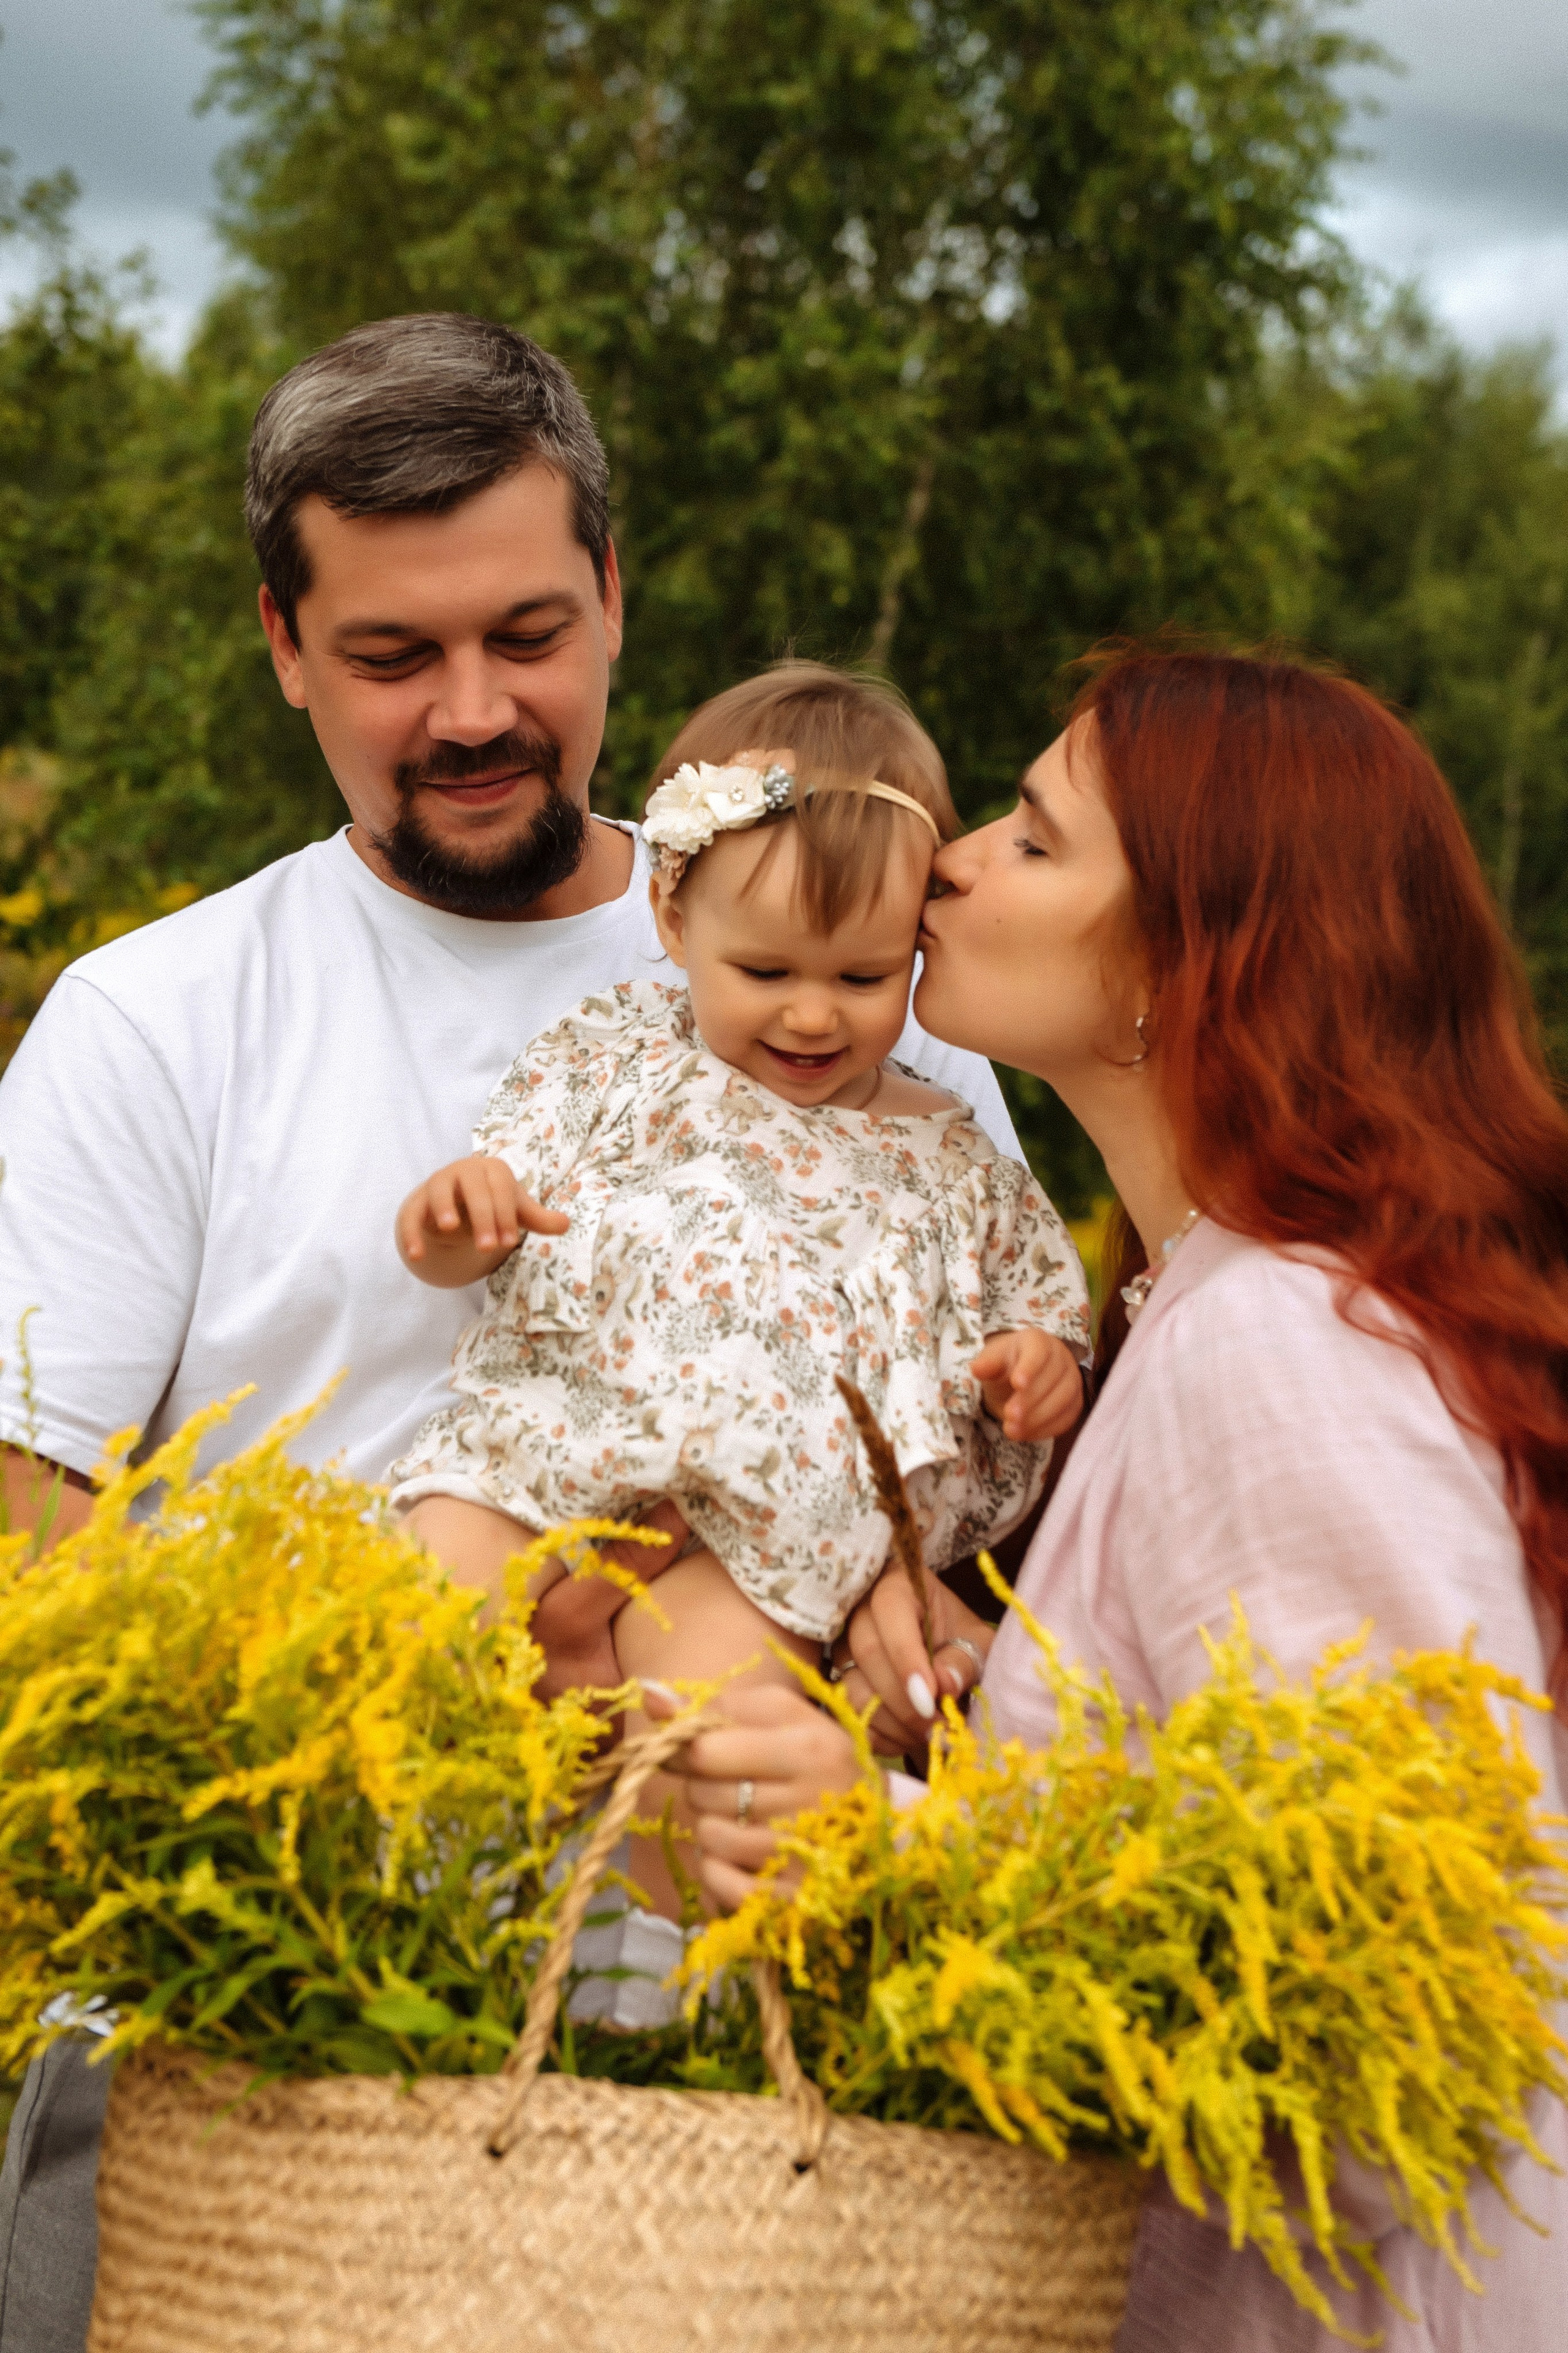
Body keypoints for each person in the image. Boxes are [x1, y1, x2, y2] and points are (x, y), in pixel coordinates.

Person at [0, 314, 1021, 2353]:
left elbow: (984, 1540)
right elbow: (32, 1544)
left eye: (529, 634)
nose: (475, 711)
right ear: (283, 643)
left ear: (620, 602)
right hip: (256, 2039)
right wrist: (411, 1679)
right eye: (392, 655)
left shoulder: (891, 1029)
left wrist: (919, 1670)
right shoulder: (156, 1024)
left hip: (749, 2081)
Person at [657, 644, 1568, 2350]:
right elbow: (1203, 1797)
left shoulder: (1290, 1346)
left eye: (1033, 836)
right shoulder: (1191, 1304)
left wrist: (883, 1843)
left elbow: (1398, 1980)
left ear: (1185, 969)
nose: (952, 861)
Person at [389, 668, 1089, 1912]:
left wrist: (1038, 1366)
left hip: (765, 1538)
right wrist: (456, 1220)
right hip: (548, 1458)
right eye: (764, 971)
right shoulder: (613, 1055)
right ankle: (390, 1913)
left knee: (715, 1767)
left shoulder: (948, 1153)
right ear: (671, 916)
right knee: (419, 1623)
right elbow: (482, 1229)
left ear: (913, 947)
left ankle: (685, 2018)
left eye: (864, 979)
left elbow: (1036, 1308)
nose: (814, 1015)